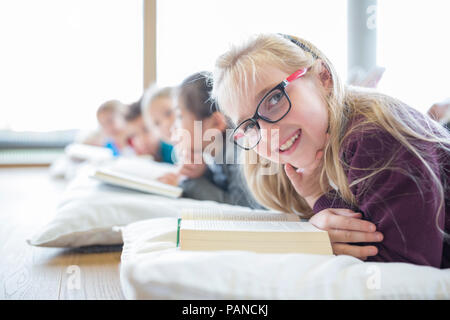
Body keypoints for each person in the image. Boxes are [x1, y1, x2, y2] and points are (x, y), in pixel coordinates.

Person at [211, 33, 450, 267]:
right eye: (250, 125)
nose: (267, 131)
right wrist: (317, 196)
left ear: (324, 77)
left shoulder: (374, 137)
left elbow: (403, 273)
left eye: (274, 99)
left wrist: (319, 209)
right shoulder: (309, 163)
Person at [158, 72, 262, 209]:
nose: (173, 127)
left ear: (216, 123)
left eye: (179, 116)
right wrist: (204, 173)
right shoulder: (219, 155)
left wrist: (188, 182)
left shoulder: (240, 153)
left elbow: (241, 207)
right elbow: (225, 189)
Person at [124, 98, 174, 163]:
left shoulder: (173, 152)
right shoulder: (136, 155)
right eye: (133, 135)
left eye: (146, 130)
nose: (141, 140)